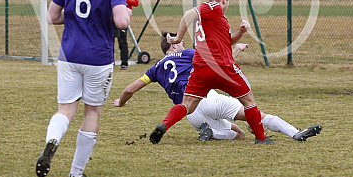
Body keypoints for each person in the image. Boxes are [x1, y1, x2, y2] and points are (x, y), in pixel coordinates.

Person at [35, 0, 131, 177]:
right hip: (97, 58)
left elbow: (52, 17)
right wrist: (124, 15)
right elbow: (121, 21)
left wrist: (77, 17)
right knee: (92, 112)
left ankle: (52, 140)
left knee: (65, 109)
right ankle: (75, 174)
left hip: (68, 55)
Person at [113, 32, 322, 141]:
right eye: (180, 41)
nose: (183, 44)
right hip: (206, 98)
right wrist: (237, 48)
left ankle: (212, 133)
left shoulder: (154, 69)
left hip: (189, 113)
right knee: (255, 113)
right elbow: (219, 61)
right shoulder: (188, 54)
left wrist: (120, 102)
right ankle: (295, 133)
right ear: (174, 44)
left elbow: (129, 89)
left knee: (239, 133)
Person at [149, 0, 274, 144]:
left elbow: (227, 41)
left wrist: (241, 32)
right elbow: (188, 14)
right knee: (248, 100)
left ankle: (165, 125)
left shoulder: (216, 18)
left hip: (201, 68)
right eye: (228, 1)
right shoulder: (213, 7)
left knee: (187, 104)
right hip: (221, 67)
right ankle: (260, 138)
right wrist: (178, 38)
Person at [114, 0, 139, 70]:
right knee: (110, 40)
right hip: (112, 16)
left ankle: (124, 63)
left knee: (122, 41)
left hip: (124, 17)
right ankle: (109, 62)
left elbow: (135, 2)